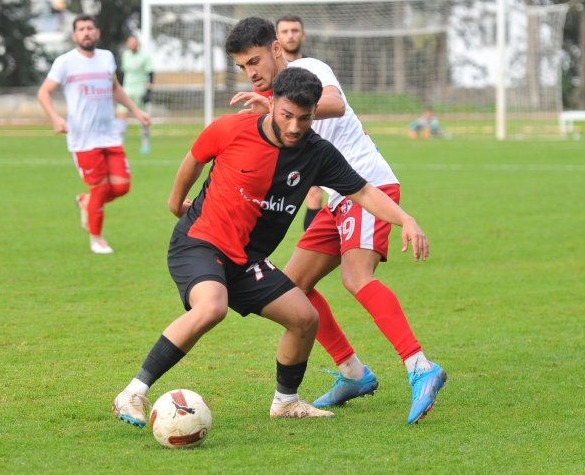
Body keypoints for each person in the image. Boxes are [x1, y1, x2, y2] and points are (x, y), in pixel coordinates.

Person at [112, 67, 430, 428]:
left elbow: (364, 191)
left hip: (247, 260)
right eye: (287, 116)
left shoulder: (317, 153)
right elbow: (194, 159)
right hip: (199, 242)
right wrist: (175, 203)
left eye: (305, 118)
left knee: (304, 318)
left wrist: (406, 219)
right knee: (212, 307)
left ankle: (286, 402)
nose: (295, 127)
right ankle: (133, 392)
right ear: (272, 103)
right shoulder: (232, 129)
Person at [228, 17, 446, 424]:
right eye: (243, 67)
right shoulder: (274, 103)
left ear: (277, 49)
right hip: (336, 199)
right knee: (292, 287)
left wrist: (276, 106)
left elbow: (335, 104)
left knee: (356, 277)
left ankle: (420, 366)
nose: (251, 72)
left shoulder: (309, 69)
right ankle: (353, 373)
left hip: (368, 186)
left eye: (255, 60)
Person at [37, 15, 151, 255]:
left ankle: (86, 202)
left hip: (109, 135)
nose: (86, 32)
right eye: (81, 29)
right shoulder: (64, 62)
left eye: (90, 28)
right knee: (100, 189)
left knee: (121, 187)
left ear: (97, 33)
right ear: (74, 35)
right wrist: (56, 118)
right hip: (83, 139)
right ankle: (96, 238)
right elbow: (44, 93)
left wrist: (137, 111)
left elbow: (116, 89)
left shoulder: (107, 58)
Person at [275, 15, 324, 230]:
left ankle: (311, 250)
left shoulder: (315, 68)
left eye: (295, 30)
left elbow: (333, 100)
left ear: (303, 35)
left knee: (314, 194)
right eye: (285, 31)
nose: (290, 35)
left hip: (310, 140)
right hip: (279, 145)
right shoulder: (273, 73)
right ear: (277, 38)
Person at [118, 35, 155, 153]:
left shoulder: (145, 56)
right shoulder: (125, 55)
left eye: (135, 42)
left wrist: (148, 92)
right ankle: (119, 144)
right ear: (127, 44)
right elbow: (122, 73)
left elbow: (151, 73)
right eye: (130, 42)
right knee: (121, 115)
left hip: (140, 90)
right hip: (127, 90)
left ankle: (145, 144)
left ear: (138, 44)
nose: (133, 44)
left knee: (143, 118)